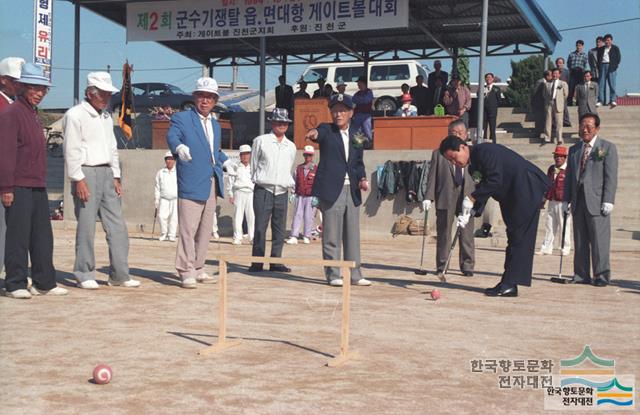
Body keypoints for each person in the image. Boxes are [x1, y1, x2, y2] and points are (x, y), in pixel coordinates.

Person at [440, 136, 550, 297]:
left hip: (526, 187)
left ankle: (510, 284)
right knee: (514, 237)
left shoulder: (485, 151)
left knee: (519, 238)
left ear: (463, 148)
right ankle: (508, 282)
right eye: (450, 161)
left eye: (454, 158)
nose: (454, 163)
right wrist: (471, 212)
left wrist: (471, 198)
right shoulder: (473, 167)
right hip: (513, 196)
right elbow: (485, 189)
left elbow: (494, 181)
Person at [63, 72, 140, 290]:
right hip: (86, 172)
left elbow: (112, 148)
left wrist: (116, 175)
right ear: (90, 93)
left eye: (108, 94)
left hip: (107, 173)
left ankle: (119, 274)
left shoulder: (106, 117)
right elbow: (71, 150)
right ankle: (84, 273)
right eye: (103, 94)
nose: (106, 98)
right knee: (86, 226)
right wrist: (78, 179)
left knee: (117, 226)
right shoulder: (75, 115)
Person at [0, 63, 68, 299]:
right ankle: (15, 283)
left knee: (42, 235)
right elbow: (6, 153)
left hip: (37, 183)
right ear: (21, 87)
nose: (40, 93)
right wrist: (6, 187)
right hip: (17, 184)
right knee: (18, 235)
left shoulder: (32, 113)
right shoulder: (11, 114)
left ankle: (44, 282)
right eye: (35, 88)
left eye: (44, 89)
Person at [166, 76, 229, 288]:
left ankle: (199, 266)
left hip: (211, 181)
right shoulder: (182, 118)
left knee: (205, 228)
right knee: (188, 228)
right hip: (191, 180)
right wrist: (178, 147)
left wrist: (228, 162)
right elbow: (173, 136)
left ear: (215, 100)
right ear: (195, 98)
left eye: (210, 97)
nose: (205, 101)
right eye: (201, 96)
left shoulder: (215, 124)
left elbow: (214, 152)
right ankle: (185, 269)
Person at [305, 94, 371, 287]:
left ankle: (355, 274)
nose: (338, 114)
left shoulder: (357, 133)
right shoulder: (327, 129)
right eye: (334, 110)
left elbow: (358, 161)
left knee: (352, 235)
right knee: (331, 235)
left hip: (352, 190)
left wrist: (363, 178)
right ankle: (333, 274)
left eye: (342, 110)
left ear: (351, 113)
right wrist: (313, 133)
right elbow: (319, 132)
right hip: (331, 188)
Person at [563, 113, 618, 286]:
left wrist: (608, 200)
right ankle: (581, 274)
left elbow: (611, 176)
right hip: (578, 202)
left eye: (589, 126)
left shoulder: (607, 148)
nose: (585, 129)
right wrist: (566, 199)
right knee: (580, 242)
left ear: (597, 129)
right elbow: (570, 176)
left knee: (599, 242)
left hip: (597, 202)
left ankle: (601, 275)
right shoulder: (574, 150)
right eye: (582, 125)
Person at [423, 119, 475, 277]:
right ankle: (442, 264)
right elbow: (432, 177)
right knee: (444, 231)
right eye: (454, 133)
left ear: (466, 134)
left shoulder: (472, 152)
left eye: (461, 133)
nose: (458, 136)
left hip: (467, 195)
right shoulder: (438, 154)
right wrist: (428, 197)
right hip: (446, 195)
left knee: (466, 232)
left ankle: (467, 265)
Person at [249, 108, 297, 273]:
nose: (282, 125)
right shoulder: (260, 141)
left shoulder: (291, 146)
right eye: (278, 122)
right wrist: (258, 180)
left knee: (280, 229)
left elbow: (289, 167)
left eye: (285, 122)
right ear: (272, 122)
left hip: (282, 191)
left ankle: (276, 261)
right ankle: (257, 262)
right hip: (264, 189)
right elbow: (254, 164)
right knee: (260, 227)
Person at [0, 56, 25, 277]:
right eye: (16, 81)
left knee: (13, 231)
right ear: (3, 80)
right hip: (4, 177)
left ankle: (13, 273)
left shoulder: (16, 104)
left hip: (17, 176)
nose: (20, 85)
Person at [538, 146, 571, 256]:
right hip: (552, 200)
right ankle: (546, 247)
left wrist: (570, 201)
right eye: (556, 156)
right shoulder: (551, 169)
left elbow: (572, 187)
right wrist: (543, 200)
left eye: (560, 156)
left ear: (565, 158)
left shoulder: (569, 169)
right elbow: (547, 185)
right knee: (550, 225)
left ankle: (565, 248)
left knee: (564, 225)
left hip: (564, 202)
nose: (557, 158)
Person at [286, 145, 318, 245]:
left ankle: (307, 235)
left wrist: (317, 196)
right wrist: (292, 193)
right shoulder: (298, 168)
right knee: (297, 215)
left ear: (312, 156)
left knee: (309, 216)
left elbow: (319, 184)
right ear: (304, 155)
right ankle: (294, 236)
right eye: (306, 155)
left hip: (311, 197)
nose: (307, 157)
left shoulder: (317, 169)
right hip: (299, 196)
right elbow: (295, 182)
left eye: (309, 155)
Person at [227, 144, 254, 245]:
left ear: (250, 155)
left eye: (247, 154)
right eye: (243, 154)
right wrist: (230, 194)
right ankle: (237, 237)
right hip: (239, 192)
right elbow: (230, 181)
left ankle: (252, 237)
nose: (245, 156)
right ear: (240, 155)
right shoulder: (235, 167)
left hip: (251, 193)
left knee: (251, 216)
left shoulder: (253, 167)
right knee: (238, 216)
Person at [154, 151, 178, 242]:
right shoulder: (160, 173)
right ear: (165, 160)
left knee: (174, 217)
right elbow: (157, 187)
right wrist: (156, 199)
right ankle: (164, 233)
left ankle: (172, 235)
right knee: (161, 216)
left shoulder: (178, 172)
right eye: (168, 159)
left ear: (174, 160)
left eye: (171, 159)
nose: (169, 161)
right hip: (164, 198)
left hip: (175, 199)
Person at [542, 68, 569, 144]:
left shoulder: (563, 83)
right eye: (554, 73)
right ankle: (547, 137)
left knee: (559, 122)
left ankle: (559, 139)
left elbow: (565, 94)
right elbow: (544, 94)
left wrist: (560, 100)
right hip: (549, 103)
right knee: (548, 121)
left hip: (558, 103)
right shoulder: (547, 84)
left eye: (557, 73)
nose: (555, 75)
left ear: (559, 75)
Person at [597, 34, 621, 108]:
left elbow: (618, 58)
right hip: (602, 66)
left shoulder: (615, 48)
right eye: (606, 40)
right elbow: (598, 58)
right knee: (601, 84)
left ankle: (612, 100)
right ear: (604, 41)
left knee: (612, 84)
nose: (607, 42)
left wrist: (615, 66)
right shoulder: (601, 49)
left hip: (611, 66)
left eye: (609, 40)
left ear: (611, 40)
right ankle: (601, 100)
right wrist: (600, 67)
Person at [351, 76, 374, 143]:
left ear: (363, 83)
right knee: (356, 130)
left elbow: (367, 100)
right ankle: (358, 143)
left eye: (359, 83)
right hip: (358, 114)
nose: (358, 84)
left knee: (367, 130)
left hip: (366, 115)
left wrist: (360, 100)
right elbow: (353, 99)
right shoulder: (358, 93)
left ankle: (369, 143)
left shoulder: (369, 91)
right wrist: (361, 99)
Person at [532, 70, 552, 138]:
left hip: (545, 103)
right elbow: (535, 93)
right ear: (547, 76)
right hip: (539, 104)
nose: (552, 77)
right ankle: (537, 133)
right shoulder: (540, 82)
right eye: (550, 75)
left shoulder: (549, 83)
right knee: (539, 119)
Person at [567, 40, 588, 106]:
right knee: (571, 88)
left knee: (579, 88)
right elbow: (568, 64)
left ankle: (578, 104)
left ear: (582, 46)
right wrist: (571, 70)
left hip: (580, 72)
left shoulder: (585, 55)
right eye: (577, 45)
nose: (578, 47)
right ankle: (569, 103)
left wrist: (582, 71)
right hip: (573, 72)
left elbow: (585, 65)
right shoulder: (571, 54)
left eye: (580, 46)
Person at [483, 72, 501, 143]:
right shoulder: (483, 88)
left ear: (493, 79)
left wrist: (494, 107)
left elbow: (499, 100)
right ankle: (484, 141)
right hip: (484, 111)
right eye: (487, 78)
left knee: (492, 127)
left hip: (492, 111)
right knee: (484, 128)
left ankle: (493, 142)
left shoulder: (496, 89)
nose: (488, 79)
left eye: (490, 77)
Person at [555, 58, 571, 127]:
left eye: (561, 63)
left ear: (563, 64)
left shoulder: (566, 72)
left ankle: (566, 121)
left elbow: (569, 81)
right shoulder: (554, 71)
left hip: (563, 92)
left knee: (564, 106)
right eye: (558, 62)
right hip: (555, 92)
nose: (559, 64)